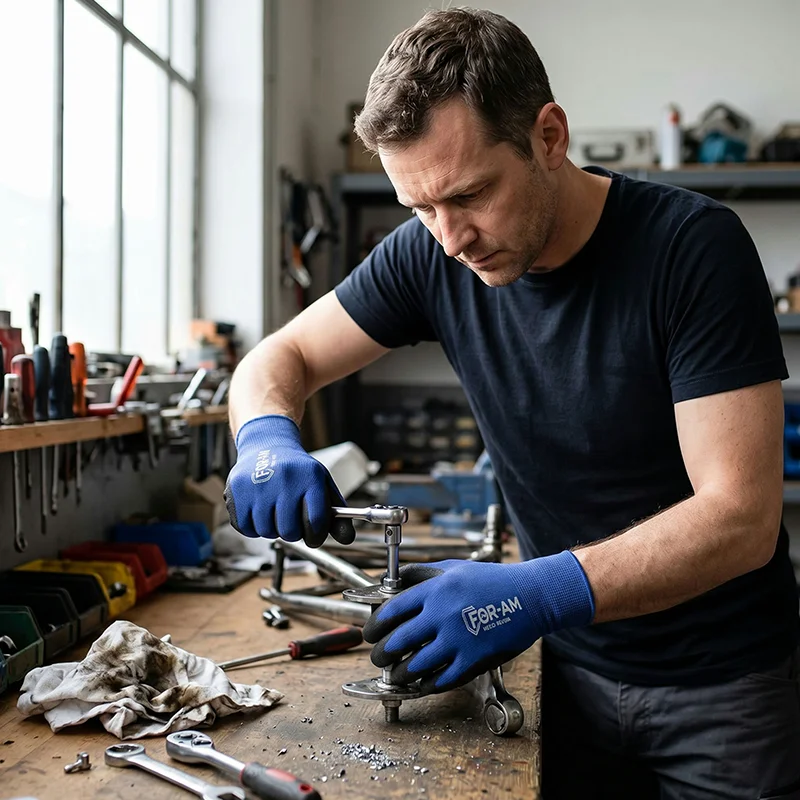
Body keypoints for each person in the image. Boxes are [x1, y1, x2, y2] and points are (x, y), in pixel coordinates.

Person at [224, 7, 800, 798]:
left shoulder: (691, 250)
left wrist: (533, 592)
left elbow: (741, 519)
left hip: (725, 692)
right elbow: (276, 358)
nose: (451, 237)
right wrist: (264, 435)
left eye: (471, 194)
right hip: (563, 671)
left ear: (549, 136)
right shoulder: (432, 254)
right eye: (420, 208)